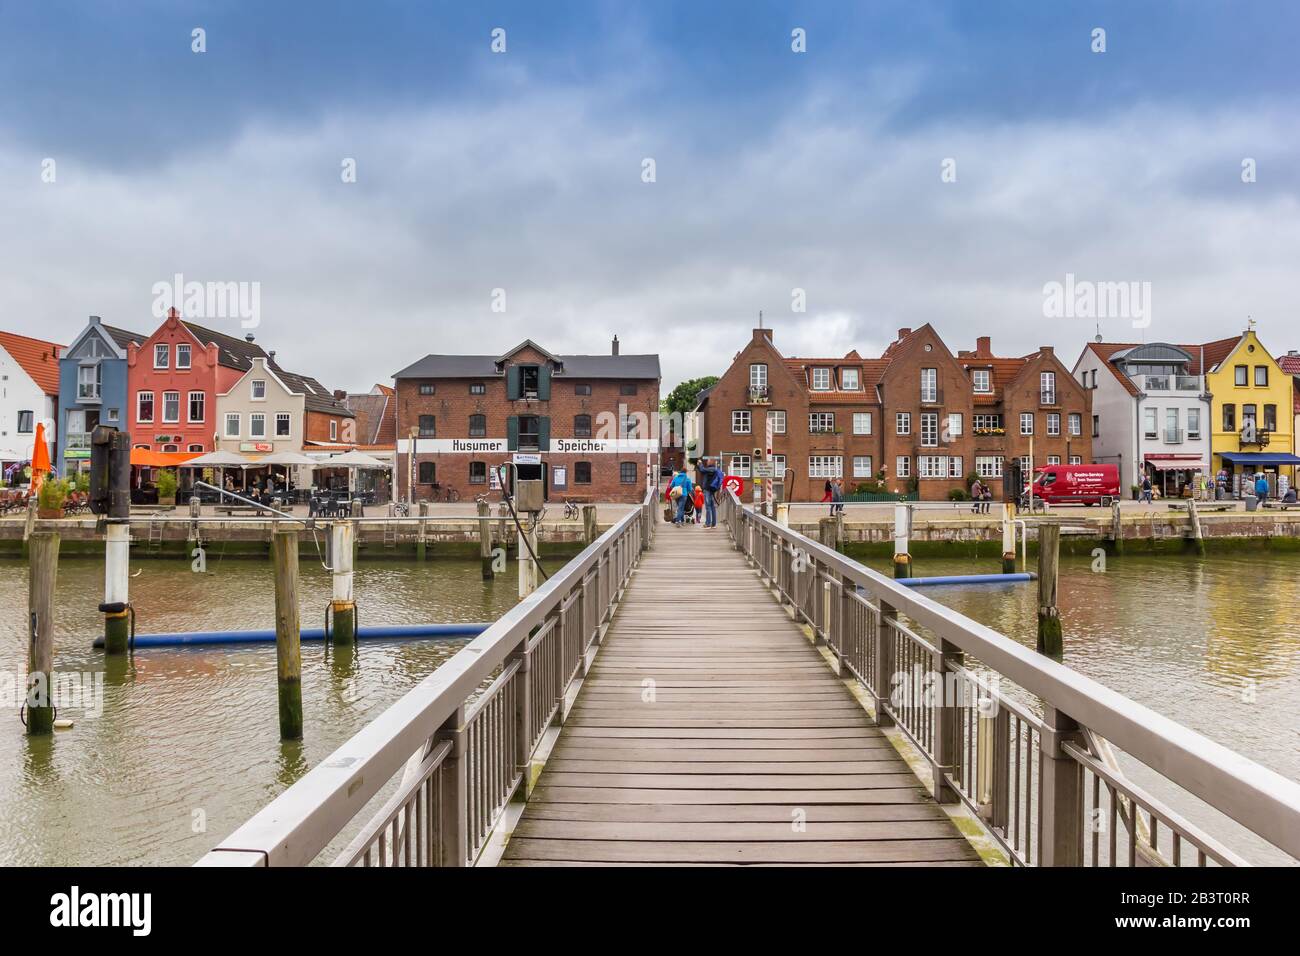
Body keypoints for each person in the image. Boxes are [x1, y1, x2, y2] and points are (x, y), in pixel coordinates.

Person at [697, 457, 722, 528]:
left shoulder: (711, 469)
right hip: (710, 490)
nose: (707, 462)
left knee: (708, 507)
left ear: (711, 462)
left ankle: (708, 524)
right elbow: (702, 471)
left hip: (707, 490)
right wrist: (699, 465)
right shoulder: (711, 469)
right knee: (712, 507)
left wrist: (700, 463)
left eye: (708, 461)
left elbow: (702, 469)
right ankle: (713, 524)